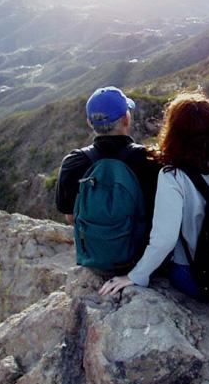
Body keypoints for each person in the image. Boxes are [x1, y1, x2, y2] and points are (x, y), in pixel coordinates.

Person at [98, 92, 209, 314]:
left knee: (163, 266)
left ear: (174, 132)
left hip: (195, 278)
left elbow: (164, 240)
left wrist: (135, 276)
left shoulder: (173, 176)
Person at [55, 86, 161, 275]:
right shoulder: (150, 160)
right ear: (126, 118)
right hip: (141, 262)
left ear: (90, 122)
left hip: (95, 263)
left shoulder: (73, 163)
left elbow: (71, 216)